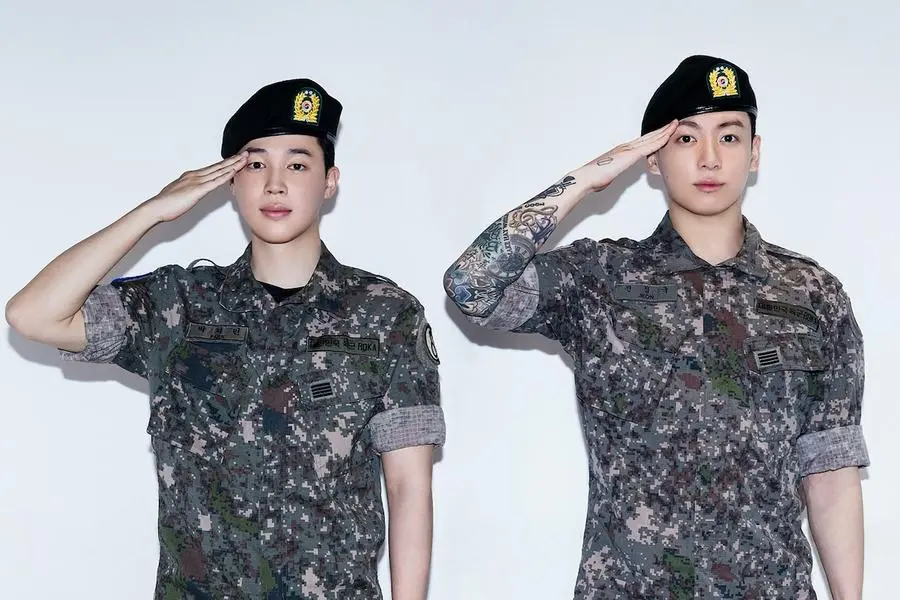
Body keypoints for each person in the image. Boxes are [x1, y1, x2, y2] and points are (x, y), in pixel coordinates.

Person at [443, 55, 867, 599]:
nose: (710, 157)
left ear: (755, 153)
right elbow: (471, 286)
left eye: (730, 137)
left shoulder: (811, 294)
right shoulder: (602, 280)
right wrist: (587, 179)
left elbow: (831, 472)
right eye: (686, 139)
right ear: (651, 157)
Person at [6, 78, 446, 600]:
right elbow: (33, 314)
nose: (275, 185)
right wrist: (152, 212)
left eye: (298, 165)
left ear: (329, 182)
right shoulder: (178, 307)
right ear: (231, 182)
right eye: (255, 165)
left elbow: (408, 486)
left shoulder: (384, 315)